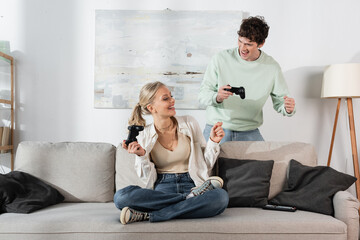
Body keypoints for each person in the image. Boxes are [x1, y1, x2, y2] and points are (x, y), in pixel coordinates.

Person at [114, 81, 229, 224]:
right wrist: (142, 156)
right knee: (121, 197)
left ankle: (148, 215)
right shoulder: (144, 135)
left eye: (171, 96)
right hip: (163, 188)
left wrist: (213, 141)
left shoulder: (189, 123)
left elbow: (205, 165)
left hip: (192, 183)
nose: (172, 100)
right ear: (151, 108)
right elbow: (146, 178)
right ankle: (190, 200)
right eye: (165, 98)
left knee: (221, 197)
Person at [198, 16, 296, 143]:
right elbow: (202, 95)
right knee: (206, 163)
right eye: (240, 41)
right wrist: (217, 97)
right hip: (217, 129)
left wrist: (288, 108)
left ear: (261, 44)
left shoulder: (272, 67)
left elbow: (281, 102)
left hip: (249, 131)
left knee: (265, 162)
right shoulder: (220, 59)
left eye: (249, 44)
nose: (242, 48)